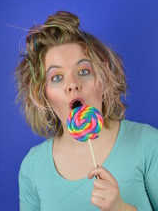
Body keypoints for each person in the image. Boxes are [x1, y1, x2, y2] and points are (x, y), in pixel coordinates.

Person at [16, 11, 158, 211]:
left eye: (84, 71)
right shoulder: (32, 167)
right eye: (57, 77)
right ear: (42, 94)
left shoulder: (148, 143)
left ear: (103, 80)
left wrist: (122, 208)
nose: (73, 84)